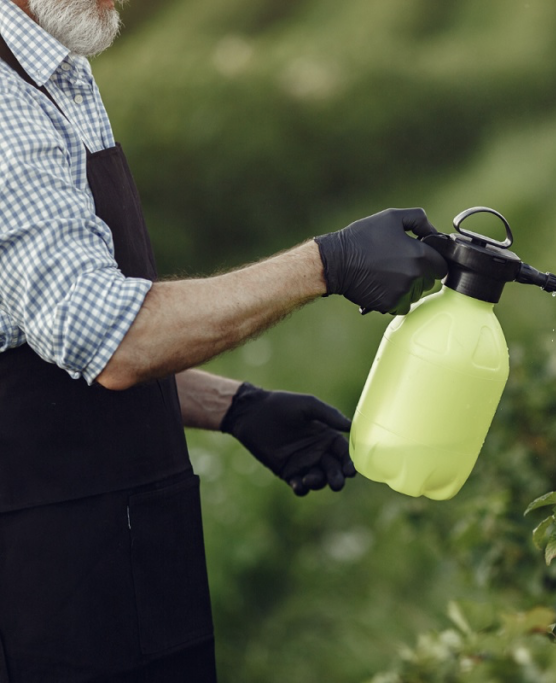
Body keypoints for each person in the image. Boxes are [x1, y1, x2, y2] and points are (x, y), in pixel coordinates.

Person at [0, 0, 449, 680]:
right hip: (47, 591)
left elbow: (50, 341)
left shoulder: (60, 75)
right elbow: (115, 337)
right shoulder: (6, 108)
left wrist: (235, 406)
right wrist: (324, 265)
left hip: (120, 555)